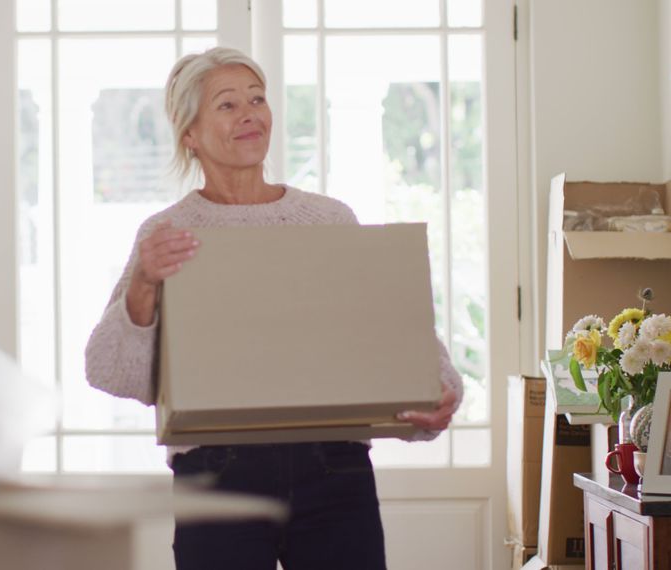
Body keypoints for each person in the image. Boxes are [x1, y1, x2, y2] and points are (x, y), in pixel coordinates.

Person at [83, 47, 462, 570]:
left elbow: (391, 329)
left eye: (257, 99)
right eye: (227, 104)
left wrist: (439, 391)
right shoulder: (165, 235)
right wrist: (144, 283)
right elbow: (109, 371)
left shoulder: (329, 219)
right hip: (216, 477)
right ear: (189, 132)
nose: (249, 115)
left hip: (333, 467)